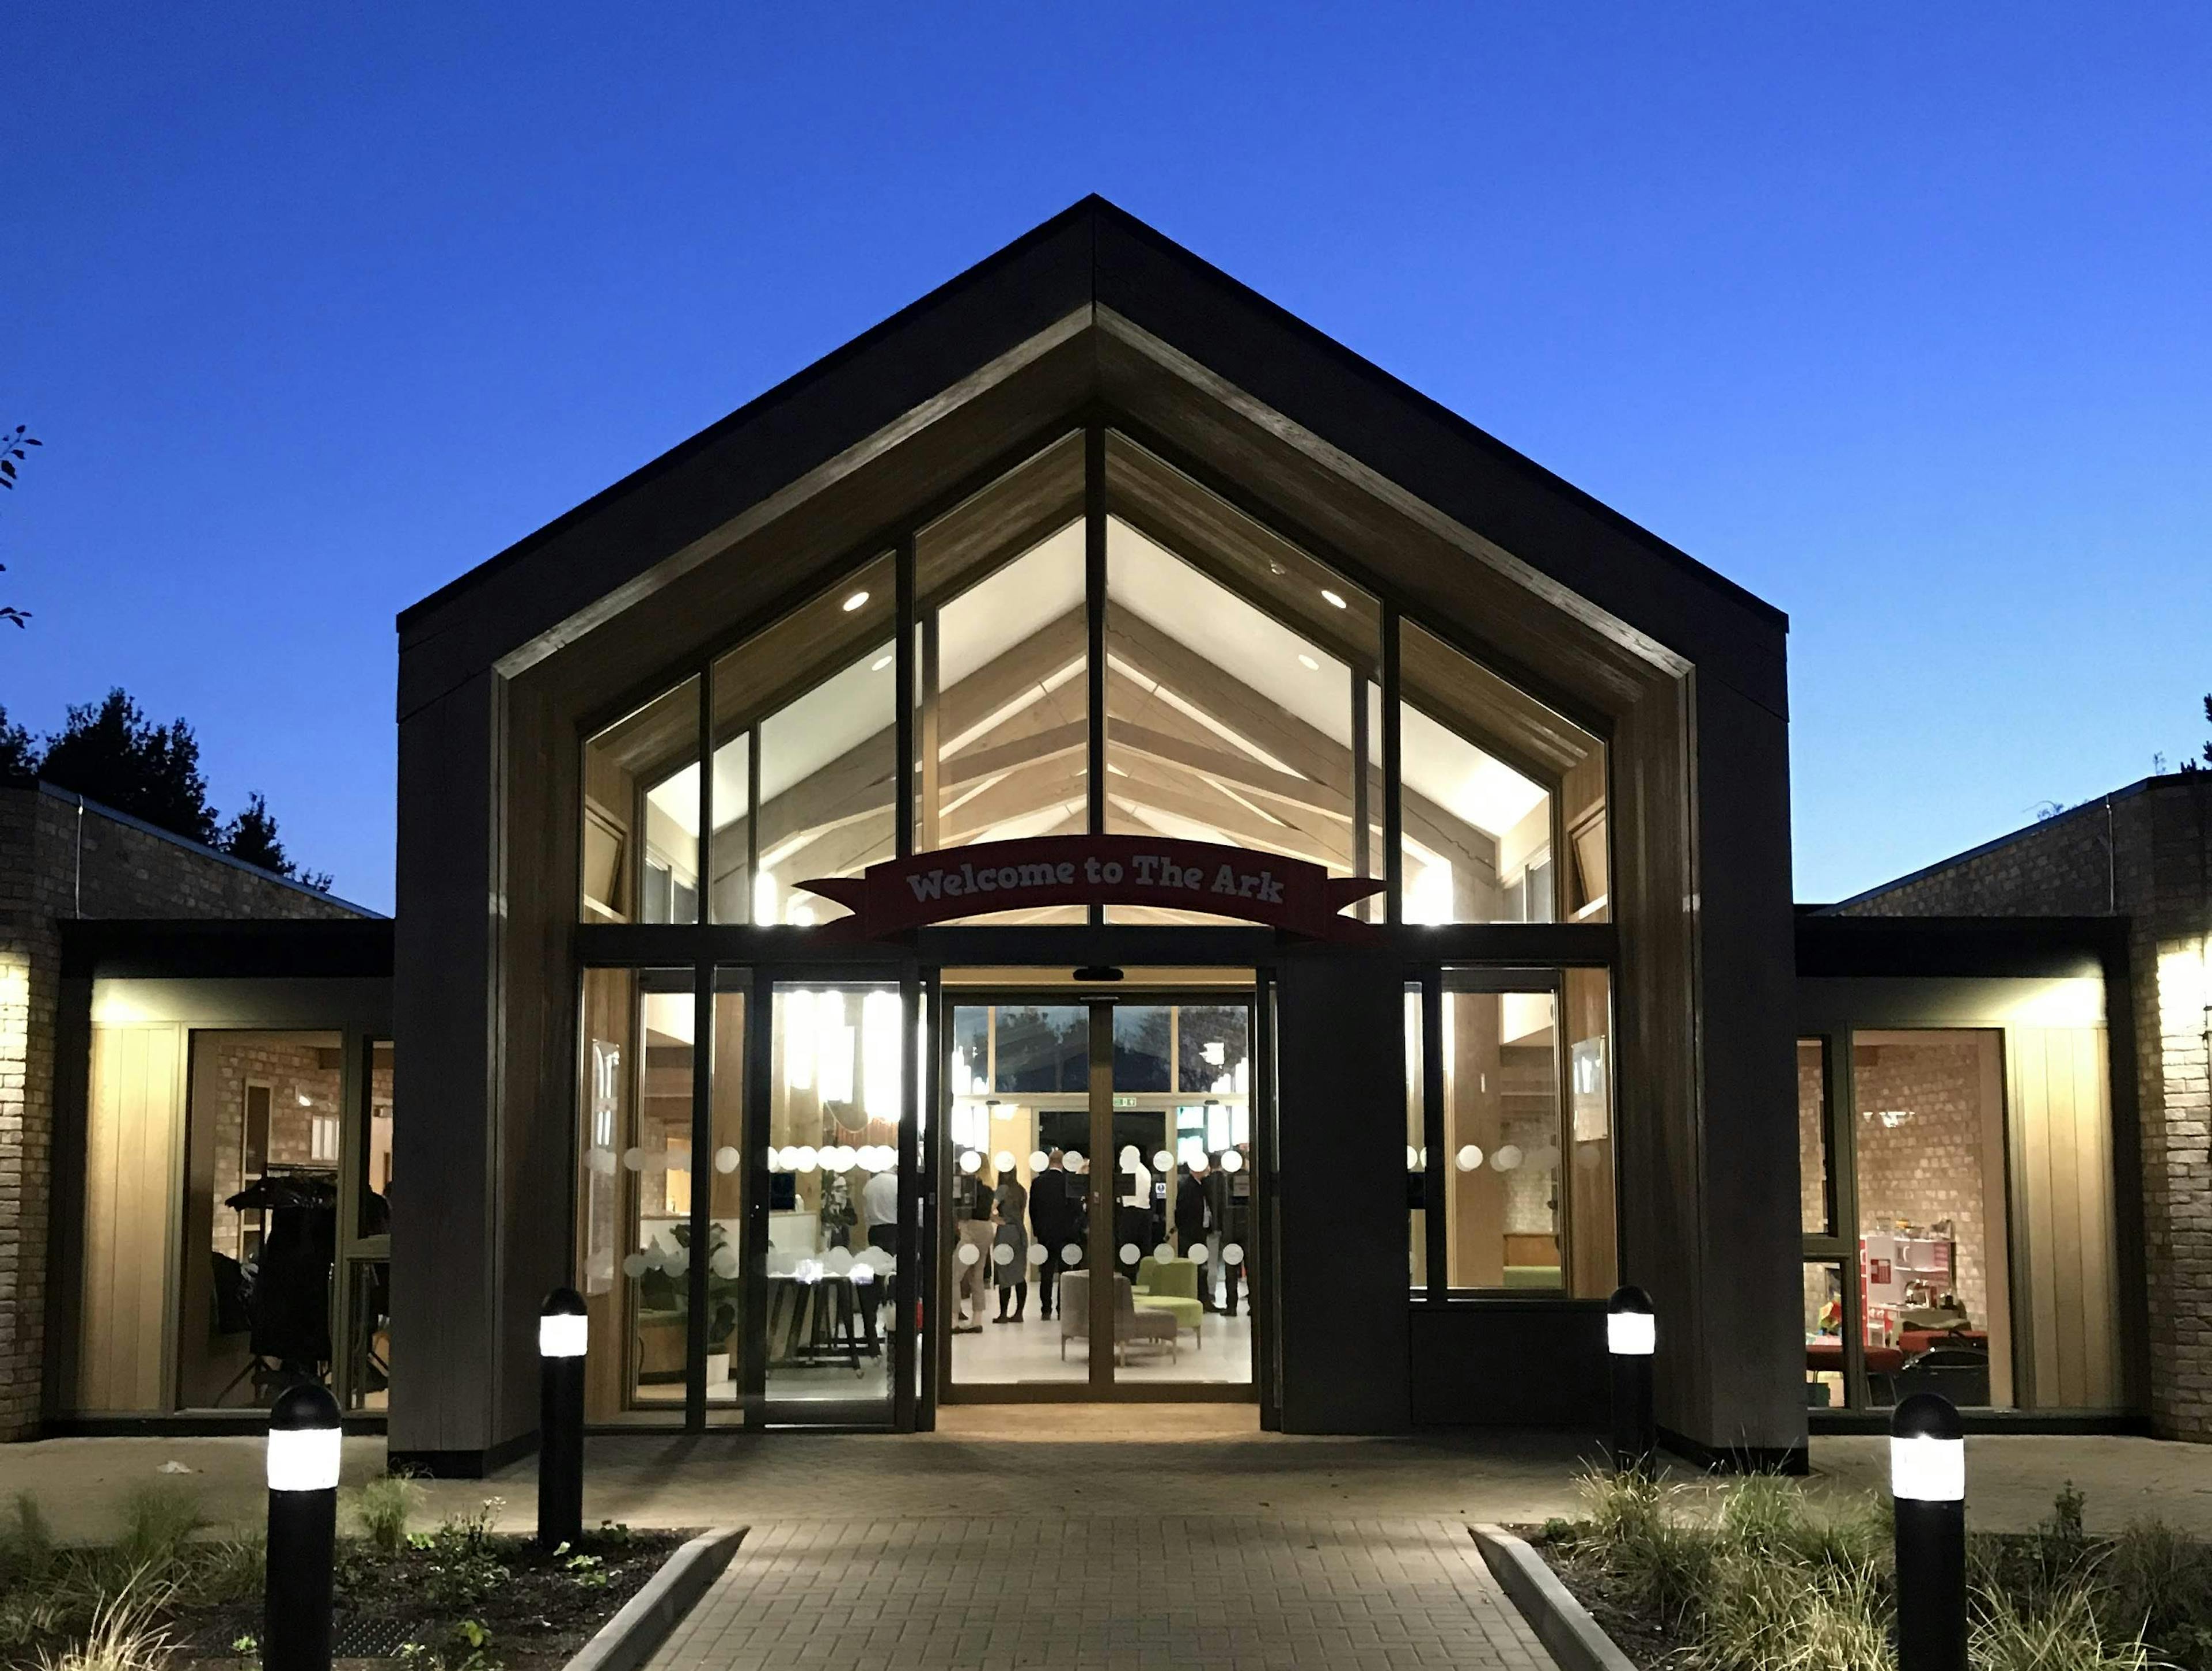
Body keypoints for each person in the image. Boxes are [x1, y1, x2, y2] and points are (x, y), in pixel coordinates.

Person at [1028, 1150, 1079, 1320]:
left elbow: (1033, 1210)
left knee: (1047, 1272)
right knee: (1064, 1273)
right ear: (1063, 1163)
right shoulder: (1068, 1183)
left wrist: (1037, 1230)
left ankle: (1046, 1309)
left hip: (1045, 1234)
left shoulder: (1038, 1183)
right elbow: (1075, 1210)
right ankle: (1061, 1308)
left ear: (1049, 1162)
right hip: (1065, 1235)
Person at [1173, 1162, 1210, 1308]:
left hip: (1198, 1233)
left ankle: (1204, 1299)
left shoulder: (1199, 1186)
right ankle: (1198, 1299)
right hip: (1191, 1234)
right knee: (1196, 1268)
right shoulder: (1188, 1188)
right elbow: (1181, 1212)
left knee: (1201, 1267)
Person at [991, 1200, 1029, 1324]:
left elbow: (988, 1209)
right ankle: (1019, 1313)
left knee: (1004, 1274)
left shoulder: (1002, 1190)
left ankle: (1003, 1313)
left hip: (1005, 1233)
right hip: (1019, 1233)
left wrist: (997, 1219)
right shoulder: (1021, 1192)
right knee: (1019, 1274)